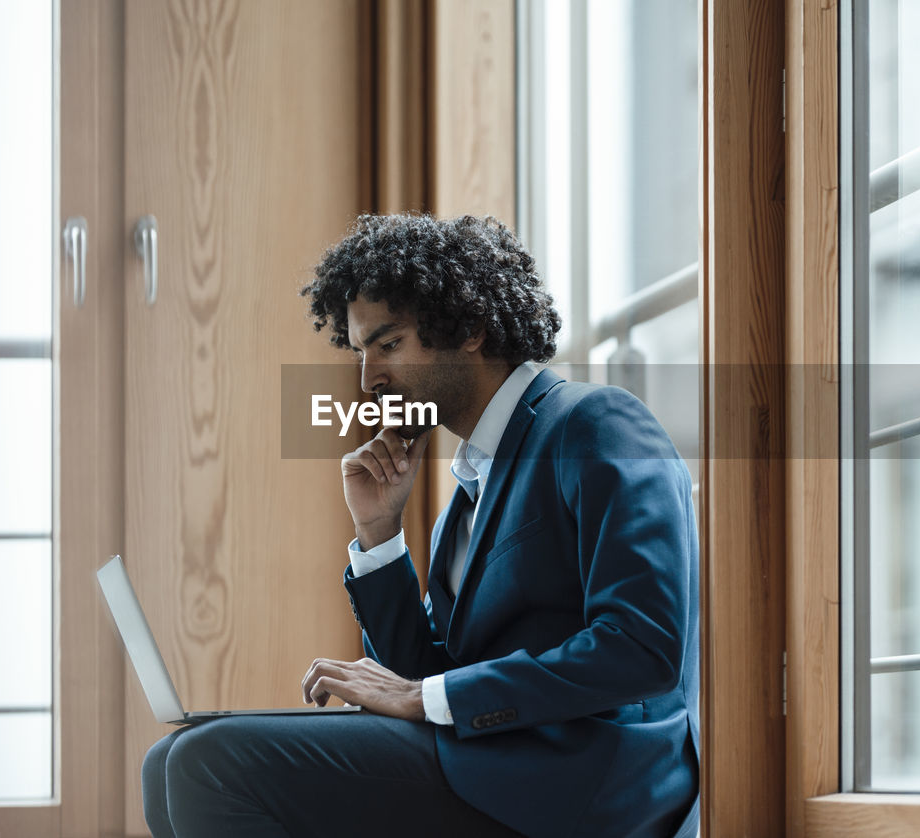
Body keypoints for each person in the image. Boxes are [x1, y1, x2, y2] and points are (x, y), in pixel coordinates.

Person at [141, 214, 700, 837]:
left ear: (469, 328)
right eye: (361, 353)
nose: (368, 380)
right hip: (494, 761)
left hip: (587, 779)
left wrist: (431, 699)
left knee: (206, 762)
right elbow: (419, 674)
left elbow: (643, 649)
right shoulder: (466, 498)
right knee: (166, 759)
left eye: (388, 344)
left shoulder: (594, 424)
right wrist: (380, 535)